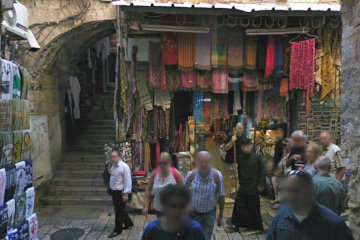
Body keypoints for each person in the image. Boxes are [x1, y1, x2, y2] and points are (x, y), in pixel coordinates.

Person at [266, 170, 354, 240]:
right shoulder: (282, 216)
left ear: (311, 191)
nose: (291, 196)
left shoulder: (333, 223)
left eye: (297, 191)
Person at [184, 151, 225, 240]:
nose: (203, 165)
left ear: (210, 163)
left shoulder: (217, 176)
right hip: (193, 214)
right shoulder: (191, 175)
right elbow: (182, 192)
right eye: (201, 162)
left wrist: (221, 215)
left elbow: (221, 196)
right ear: (197, 162)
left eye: (206, 162)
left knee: (206, 237)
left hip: (209, 215)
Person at [228, 138, 266, 232]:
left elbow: (262, 171)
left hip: (254, 185)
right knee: (239, 204)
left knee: (253, 206)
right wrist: (240, 182)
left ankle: (256, 225)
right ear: (241, 147)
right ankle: (235, 224)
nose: (246, 148)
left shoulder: (257, 158)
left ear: (251, 146)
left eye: (248, 146)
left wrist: (261, 184)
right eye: (244, 147)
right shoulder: (240, 158)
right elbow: (240, 171)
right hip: (244, 185)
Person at [143, 152, 184, 216]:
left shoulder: (176, 173)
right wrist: (145, 206)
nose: (162, 166)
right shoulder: (155, 173)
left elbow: (185, 189)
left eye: (165, 163)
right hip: (159, 210)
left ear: (169, 163)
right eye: (160, 163)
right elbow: (148, 189)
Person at [108, 150, 134, 238]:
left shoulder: (124, 167)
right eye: (111, 157)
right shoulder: (113, 166)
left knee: (119, 211)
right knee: (120, 209)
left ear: (119, 157)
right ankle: (128, 223)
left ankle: (117, 230)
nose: (112, 159)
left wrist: (126, 193)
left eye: (114, 157)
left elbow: (128, 181)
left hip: (121, 192)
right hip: (114, 191)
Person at [224, 123, 245, 198]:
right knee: (233, 176)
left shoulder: (243, 138)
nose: (241, 130)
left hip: (240, 160)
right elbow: (226, 148)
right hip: (231, 160)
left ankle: (240, 191)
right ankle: (233, 192)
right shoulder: (231, 137)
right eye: (239, 128)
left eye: (242, 128)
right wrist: (232, 141)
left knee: (240, 176)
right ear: (235, 129)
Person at [271, 127, 285, 205]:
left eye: (278, 133)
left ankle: (279, 200)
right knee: (274, 181)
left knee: (280, 183)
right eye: (276, 133)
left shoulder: (283, 143)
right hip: (276, 164)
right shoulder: (278, 143)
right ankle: (276, 198)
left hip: (280, 165)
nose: (277, 135)